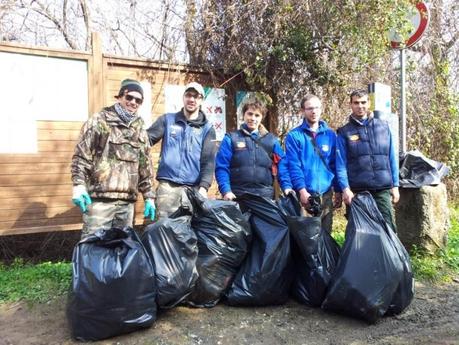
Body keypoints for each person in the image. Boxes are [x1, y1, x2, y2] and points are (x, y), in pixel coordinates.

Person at [71, 79, 155, 238]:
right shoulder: (99, 121)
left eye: (138, 100)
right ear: (120, 96)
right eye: (129, 97)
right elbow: (82, 155)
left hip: (126, 205)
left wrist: (149, 196)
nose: (133, 102)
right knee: (93, 249)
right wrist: (78, 185)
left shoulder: (140, 130)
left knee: (121, 252)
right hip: (99, 203)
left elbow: (145, 167)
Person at [147, 82, 217, 219]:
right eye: (189, 95)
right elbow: (144, 140)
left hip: (193, 190)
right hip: (167, 188)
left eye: (196, 96)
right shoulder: (167, 120)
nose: (192, 99)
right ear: (183, 97)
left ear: (201, 100)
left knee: (189, 234)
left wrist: (203, 188)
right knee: (165, 232)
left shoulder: (208, 129)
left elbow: (208, 161)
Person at [336, 88, 400, 231]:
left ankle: (391, 255)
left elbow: (391, 157)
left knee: (388, 229)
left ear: (369, 103)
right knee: (360, 233)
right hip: (357, 191)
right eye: (356, 103)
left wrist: (395, 185)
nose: (360, 106)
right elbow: (341, 164)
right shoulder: (344, 132)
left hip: (382, 189)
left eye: (363, 102)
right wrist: (345, 189)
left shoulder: (383, 127)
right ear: (350, 105)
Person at [284, 94, 342, 233]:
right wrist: (302, 191)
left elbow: (334, 164)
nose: (314, 111)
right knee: (306, 238)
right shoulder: (294, 136)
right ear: (303, 111)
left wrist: (338, 190)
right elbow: (294, 166)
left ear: (321, 109)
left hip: (326, 193)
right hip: (305, 195)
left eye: (316, 108)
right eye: (309, 108)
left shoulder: (330, 135)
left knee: (326, 235)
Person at [215, 99, 291, 200]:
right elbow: (222, 166)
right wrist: (226, 191)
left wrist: (287, 187)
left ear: (261, 118)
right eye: (249, 114)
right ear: (244, 115)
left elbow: (282, 164)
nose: (253, 118)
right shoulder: (231, 138)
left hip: (265, 197)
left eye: (257, 115)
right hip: (237, 196)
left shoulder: (272, 141)